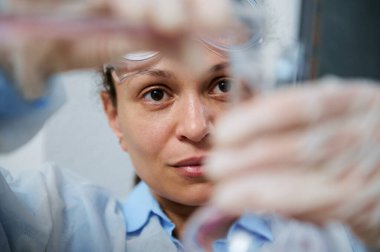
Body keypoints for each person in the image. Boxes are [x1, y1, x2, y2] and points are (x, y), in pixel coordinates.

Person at [1, 0, 379, 251]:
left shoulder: (341, 235)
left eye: (223, 86)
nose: (196, 127)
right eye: (155, 93)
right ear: (113, 115)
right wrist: (10, 64)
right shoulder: (53, 227)